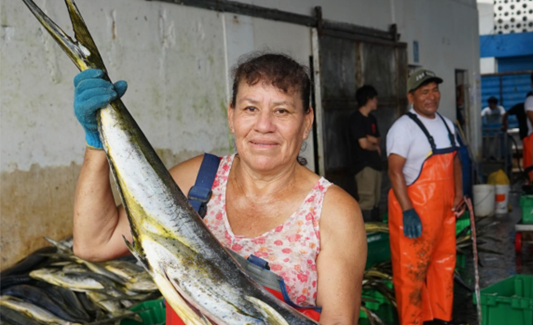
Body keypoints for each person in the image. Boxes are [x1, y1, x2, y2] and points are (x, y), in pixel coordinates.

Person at [71, 53, 367, 324]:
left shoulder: (332, 212)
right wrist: (98, 144)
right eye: (250, 108)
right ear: (231, 116)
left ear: (306, 123)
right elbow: (95, 243)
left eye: (282, 111)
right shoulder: (198, 180)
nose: (264, 125)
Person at [386, 69, 466, 325]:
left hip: (444, 211)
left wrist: (459, 194)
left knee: (444, 266)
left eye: (434, 90)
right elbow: (394, 171)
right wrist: (408, 210)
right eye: (424, 92)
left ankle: (440, 319)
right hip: (415, 211)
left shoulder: (446, 123)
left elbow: (454, 161)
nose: (432, 97)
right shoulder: (403, 128)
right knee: (411, 273)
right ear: (411, 96)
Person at [348, 85, 383, 221]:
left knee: (376, 199)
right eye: (375, 99)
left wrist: (371, 139)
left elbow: (378, 139)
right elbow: (363, 144)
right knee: (367, 199)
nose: (377, 102)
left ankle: (375, 229)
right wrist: (373, 144)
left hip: (375, 164)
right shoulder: (356, 119)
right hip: (364, 165)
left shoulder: (372, 119)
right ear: (369, 99)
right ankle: (363, 232)